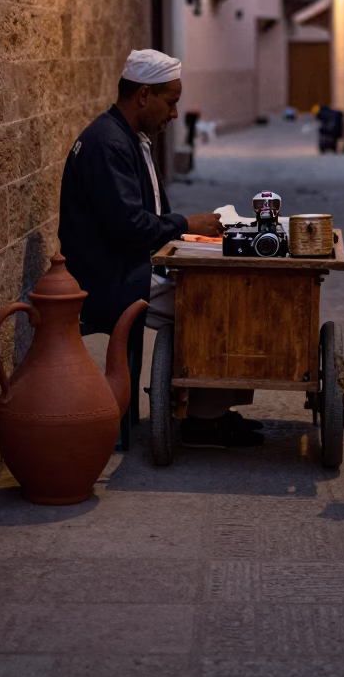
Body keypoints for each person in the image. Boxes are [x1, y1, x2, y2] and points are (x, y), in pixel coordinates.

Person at [58, 48, 263, 448]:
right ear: (144, 96)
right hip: (111, 277)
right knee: (214, 304)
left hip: (130, 264)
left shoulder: (126, 138)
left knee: (221, 285)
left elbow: (147, 215)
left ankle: (211, 409)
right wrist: (186, 224)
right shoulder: (107, 144)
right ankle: (205, 419)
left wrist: (192, 235)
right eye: (170, 103)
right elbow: (130, 227)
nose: (174, 114)